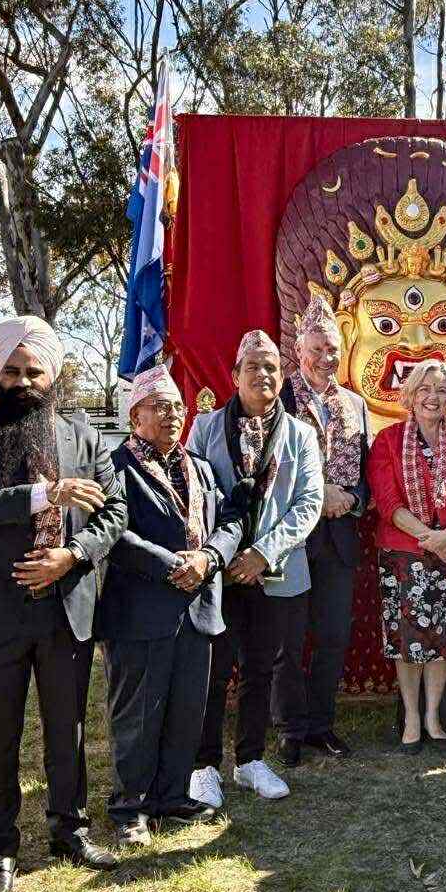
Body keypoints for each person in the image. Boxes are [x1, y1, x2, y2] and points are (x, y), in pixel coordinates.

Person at [0, 316, 127, 892]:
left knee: (67, 730)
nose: (23, 382)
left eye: (34, 371)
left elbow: (114, 512)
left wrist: (71, 555)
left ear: (54, 376)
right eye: (12, 371)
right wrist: (46, 493)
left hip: (64, 609)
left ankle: (70, 830)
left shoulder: (84, 437)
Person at [99, 366, 243, 847]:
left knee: (186, 708)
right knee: (138, 713)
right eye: (159, 407)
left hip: (198, 608)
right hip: (141, 610)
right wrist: (172, 565)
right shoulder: (115, 466)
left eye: (177, 407)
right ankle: (131, 807)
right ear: (135, 416)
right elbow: (114, 533)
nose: (172, 415)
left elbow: (230, 521)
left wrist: (209, 558)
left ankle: (172, 796)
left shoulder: (198, 466)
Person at [187, 330, 323, 805]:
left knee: (261, 667)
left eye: (271, 367)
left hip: (274, 571)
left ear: (281, 377)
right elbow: (194, 496)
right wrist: (220, 555)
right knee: (213, 669)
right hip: (220, 573)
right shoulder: (205, 428)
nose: (262, 374)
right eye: (253, 366)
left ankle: (249, 761)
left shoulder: (301, 434)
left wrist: (263, 552)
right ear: (235, 375)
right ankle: (203, 765)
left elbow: (309, 503)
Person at [367, 359, 446, 752]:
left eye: (441, 389)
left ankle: (433, 717)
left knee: (443, 640)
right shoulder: (386, 441)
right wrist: (431, 539)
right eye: (424, 388)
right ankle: (411, 718)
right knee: (408, 641)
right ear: (409, 394)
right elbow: (387, 501)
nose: (432, 397)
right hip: (405, 556)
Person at [271, 296, 371, 764]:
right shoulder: (279, 400)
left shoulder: (355, 403)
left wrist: (350, 498)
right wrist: (321, 493)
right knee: (289, 641)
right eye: (317, 349)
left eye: (332, 350)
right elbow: (268, 467)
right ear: (298, 350)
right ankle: (290, 728)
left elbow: (366, 472)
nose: (325, 358)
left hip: (339, 538)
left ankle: (321, 724)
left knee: (332, 636)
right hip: (292, 539)